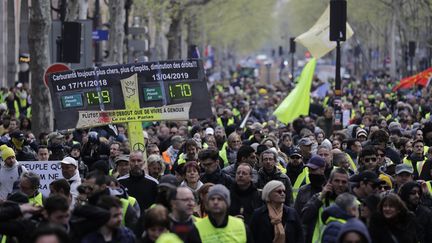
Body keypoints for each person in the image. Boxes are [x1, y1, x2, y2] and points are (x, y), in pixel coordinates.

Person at [187, 184, 252, 243]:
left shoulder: (242, 227)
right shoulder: (195, 229)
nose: (215, 202)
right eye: (212, 199)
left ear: (227, 203)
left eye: (220, 199)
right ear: (207, 204)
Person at [302, 168, 349, 243]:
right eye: (337, 181)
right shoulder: (319, 197)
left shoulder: (351, 202)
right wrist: (321, 197)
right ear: (330, 182)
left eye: (344, 182)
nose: (340, 184)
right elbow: (304, 217)